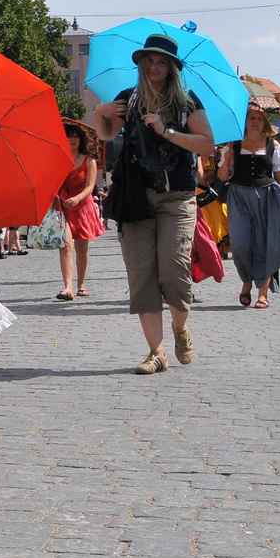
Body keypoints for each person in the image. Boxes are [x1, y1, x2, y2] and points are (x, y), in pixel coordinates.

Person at [93, 33, 215, 375]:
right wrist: (99, 111)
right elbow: (103, 133)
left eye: (162, 62)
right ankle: (156, 352)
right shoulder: (128, 99)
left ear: (172, 68)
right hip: (136, 198)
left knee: (175, 273)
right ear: (142, 63)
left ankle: (180, 329)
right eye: (150, 60)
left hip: (176, 197)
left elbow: (206, 144)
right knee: (142, 276)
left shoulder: (186, 102)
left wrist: (167, 132)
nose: (155, 67)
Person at [217, 105, 280, 309]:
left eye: (259, 119)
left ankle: (262, 293)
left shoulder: (273, 145)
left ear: (265, 123)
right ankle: (246, 282)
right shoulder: (233, 145)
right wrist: (226, 162)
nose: (255, 122)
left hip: (266, 196)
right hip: (238, 195)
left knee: (264, 244)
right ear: (245, 122)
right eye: (251, 118)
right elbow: (222, 177)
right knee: (241, 244)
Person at [54, 120, 103, 300]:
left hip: (82, 207)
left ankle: (81, 283)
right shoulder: (60, 159)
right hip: (64, 207)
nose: (72, 140)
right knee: (65, 246)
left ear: (81, 139)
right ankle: (68, 287)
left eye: (75, 136)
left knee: (82, 248)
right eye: (69, 136)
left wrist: (77, 198)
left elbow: (91, 187)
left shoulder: (89, 160)